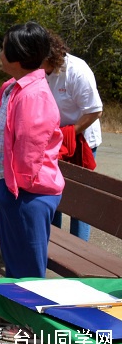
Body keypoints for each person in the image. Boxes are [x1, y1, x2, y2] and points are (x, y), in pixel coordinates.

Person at [0, 22, 64, 338]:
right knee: (13, 255)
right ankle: (10, 309)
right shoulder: (14, 86)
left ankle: (30, 322)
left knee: (28, 261)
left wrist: (18, 185)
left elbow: (30, 147)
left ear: (18, 56)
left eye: (4, 49)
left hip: (27, 190)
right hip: (9, 184)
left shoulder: (34, 94)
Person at [43, 31, 102, 241]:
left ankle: (79, 246)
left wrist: (68, 133)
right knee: (53, 194)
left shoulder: (76, 70)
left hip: (81, 139)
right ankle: (54, 245)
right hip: (53, 141)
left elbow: (94, 110)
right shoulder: (37, 71)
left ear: (48, 56)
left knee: (79, 203)